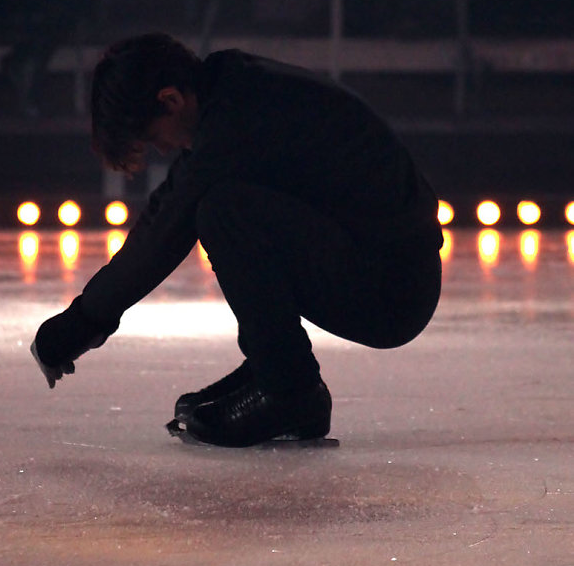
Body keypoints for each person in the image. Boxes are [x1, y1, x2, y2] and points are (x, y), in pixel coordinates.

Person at [31, 33, 443, 448]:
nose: (165, 149)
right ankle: (278, 370)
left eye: (157, 138)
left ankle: (290, 392)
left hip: (391, 290)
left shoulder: (236, 119)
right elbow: (169, 205)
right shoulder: (235, 94)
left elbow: (165, 233)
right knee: (221, 206)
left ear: (171, 100)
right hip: (387, 264)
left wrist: (80, 324)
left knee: (224, 212)